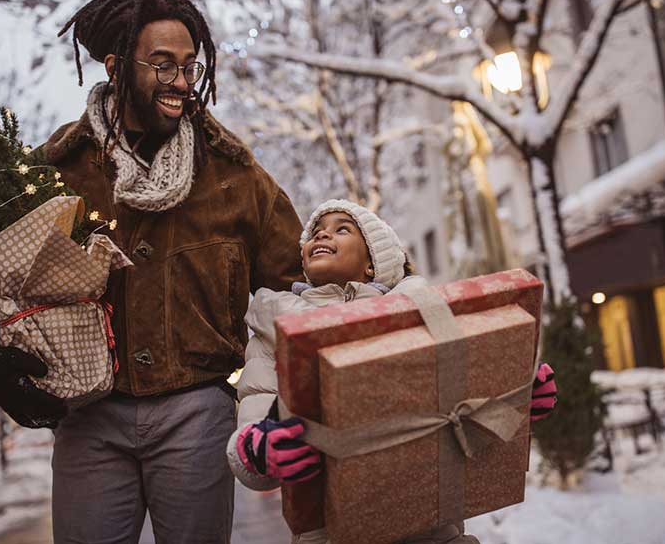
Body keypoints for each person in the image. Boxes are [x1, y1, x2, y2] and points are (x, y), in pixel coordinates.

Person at [0, 0, 303, 543]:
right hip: (88, 421)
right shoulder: (55, 172)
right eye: (163, 65)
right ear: (118, 67)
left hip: (198, 413)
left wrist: (373, 285)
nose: (181, 84)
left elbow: (298, 289)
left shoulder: (235, 178)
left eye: (190, 67)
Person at [227, 199, 558, 544]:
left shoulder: (428, 316)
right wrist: (255, 451)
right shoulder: (273, 329)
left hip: (432, 530)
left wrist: (518, 395)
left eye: (342, 228)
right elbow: (254, 412)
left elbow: (466, 402)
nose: (322, 233)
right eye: (315, 232)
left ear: (372, 261)